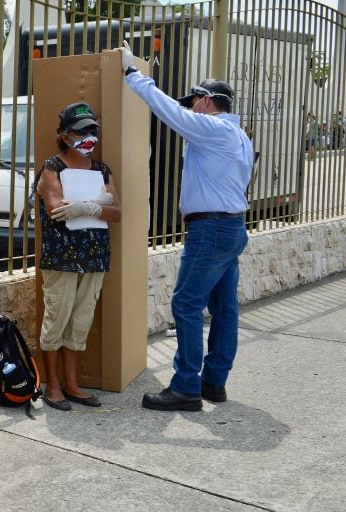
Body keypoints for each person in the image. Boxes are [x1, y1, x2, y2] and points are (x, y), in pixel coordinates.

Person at [117, 41, 253, 411]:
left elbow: (169, 113)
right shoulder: (239, 136)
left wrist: (134, 75)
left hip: (211, 231)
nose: (190, 107)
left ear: (207, 102)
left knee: (186, 304)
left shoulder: (214, 130)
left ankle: (185, 387)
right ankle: (213, 383)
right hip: (231, 227)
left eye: (194, 101)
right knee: (224, 309)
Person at [35, 102, 122, 412]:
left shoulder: (102, 170)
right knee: (57, 318)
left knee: (81, 321)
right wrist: (97, 202)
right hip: (62, 258)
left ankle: (72, 384)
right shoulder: (52, 167)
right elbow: (56, 208)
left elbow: (117, 212)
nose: (89, 136)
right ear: (64, 135)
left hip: (95, 257)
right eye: (81, 131)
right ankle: (53, 385)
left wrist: (91, 208)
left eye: (92, 130)